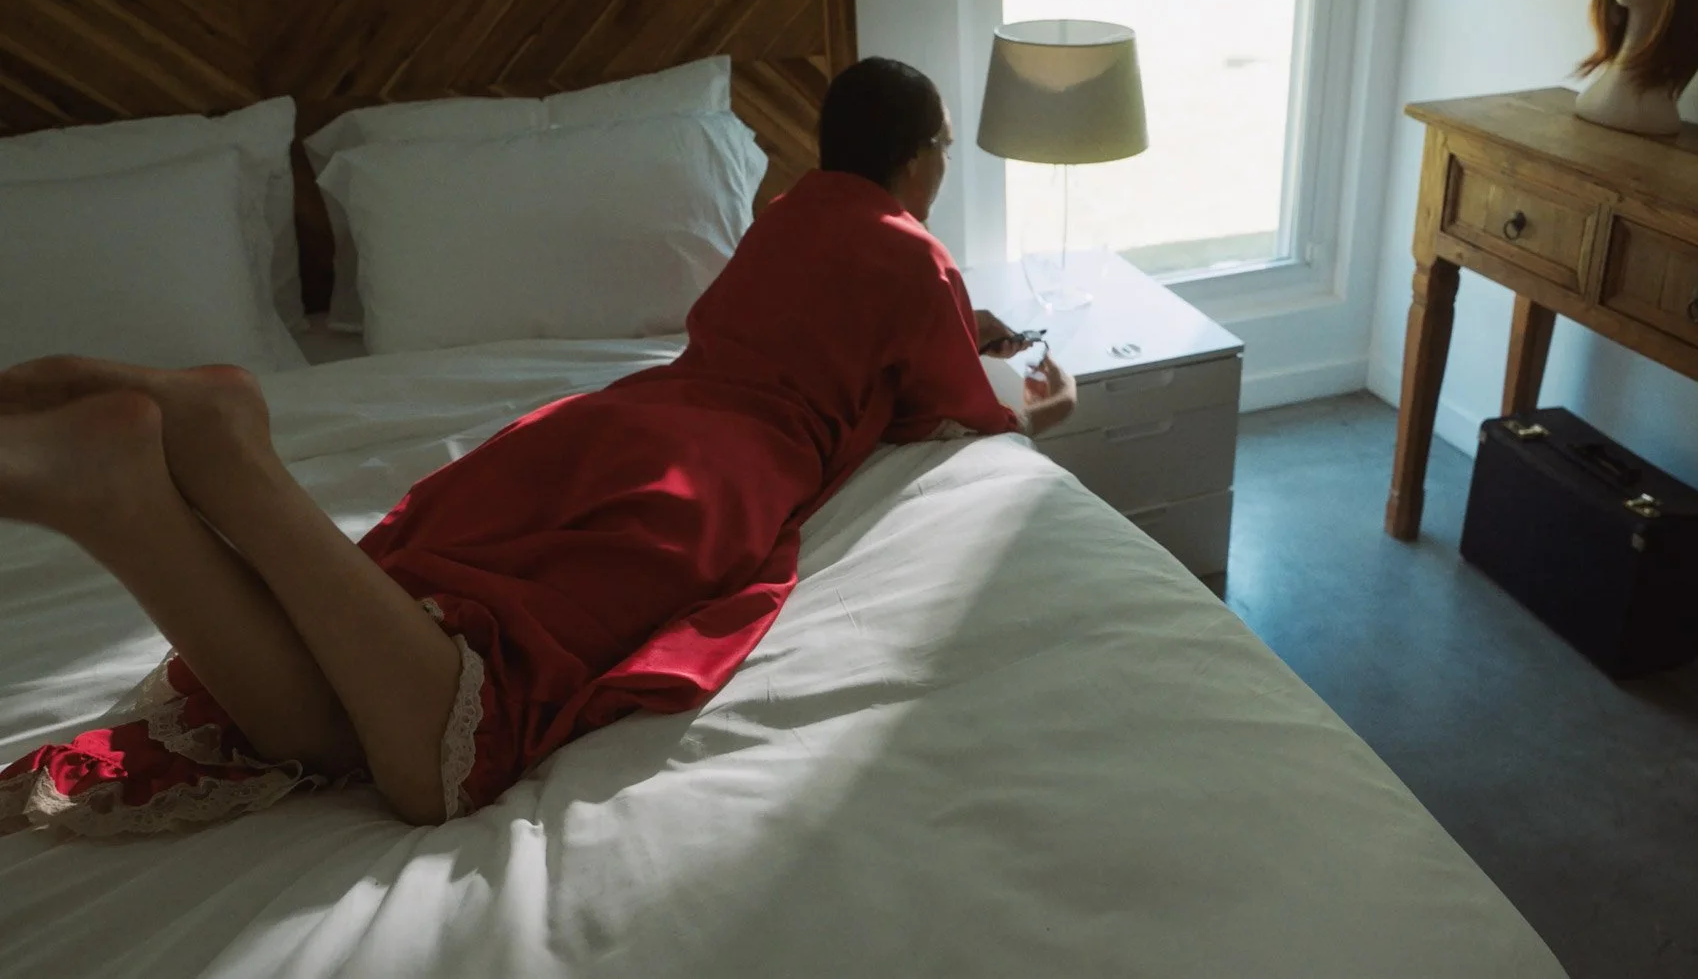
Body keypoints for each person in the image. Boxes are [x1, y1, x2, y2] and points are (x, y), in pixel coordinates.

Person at [0, 57, 1078, 835]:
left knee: (351, 701)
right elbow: (964, 404)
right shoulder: (912, 254)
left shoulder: (787, 214)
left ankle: (127, 502)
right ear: (921, 156)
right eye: (940, 146)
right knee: (438, 764)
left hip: (614, 421)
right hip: (713, 474)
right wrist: (1048, 393)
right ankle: (233, 455)